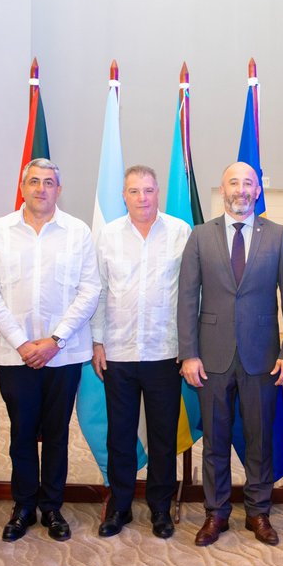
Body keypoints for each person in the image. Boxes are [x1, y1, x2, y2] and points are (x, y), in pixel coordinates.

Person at [178, 161, 283, 547]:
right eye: (234, 182)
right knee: (214, 439)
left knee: (259, 437)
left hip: (262, 357)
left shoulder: (278, 235)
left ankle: (258, 511)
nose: (241, 189)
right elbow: (186, 298)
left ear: (257, 190)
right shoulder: (200, 236)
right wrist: (188, 354)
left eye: (248, 183)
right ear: (222, 188)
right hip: (210, 357)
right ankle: (216, 513)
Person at [0, 158, 100, 543]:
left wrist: (55, 340)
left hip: (63, 354)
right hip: (15, 355)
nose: (41, 189)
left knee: (58, 433)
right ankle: (24, 505)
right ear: (22, 186)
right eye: (34, 181)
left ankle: (52, 507)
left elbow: (90, 290)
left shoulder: (78, 233)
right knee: (22, 432)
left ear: (58, 190)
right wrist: (22, 342)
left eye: (49, 183)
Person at [90, 165, 192, 539]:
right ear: (124, 195)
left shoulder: (180, 233)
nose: (142, 198)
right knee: (120, 434)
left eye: (148, 190)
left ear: (158, 192)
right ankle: (119, 506)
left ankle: (160, 509)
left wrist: (188, 347)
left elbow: (190, 293)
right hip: (117, 351)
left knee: (164, 435)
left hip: (165, 352)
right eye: (134, 191)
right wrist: (97, 341)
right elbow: (98, 290)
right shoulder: (109, 236)